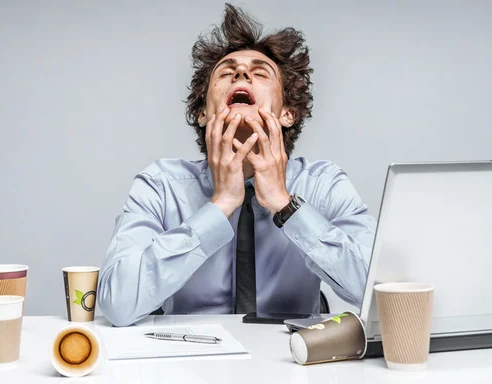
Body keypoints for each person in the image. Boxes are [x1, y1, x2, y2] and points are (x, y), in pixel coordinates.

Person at [98, 3, 377, 327]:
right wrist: (220, 206)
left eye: (260, 72)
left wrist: (285, 206)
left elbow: (380, 290)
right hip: (188, 362)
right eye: (226, 71)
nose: (241, 73)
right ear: (203, 112)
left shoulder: (324, 184)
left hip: (293, 363)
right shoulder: (161, 185)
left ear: (288, 112)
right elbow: (117, 304)